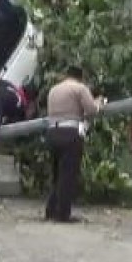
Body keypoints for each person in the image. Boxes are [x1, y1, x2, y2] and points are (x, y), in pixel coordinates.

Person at [43, 66, 98, 222]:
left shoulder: (54, 90)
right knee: (67, 175)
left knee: (56, 175)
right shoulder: (80, 88)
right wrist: (98, 103)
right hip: (70, 133)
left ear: (66, 75)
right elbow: (92, 110)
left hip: (52, 132)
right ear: (80, 77)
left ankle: (51, 210)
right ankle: (63, 214)